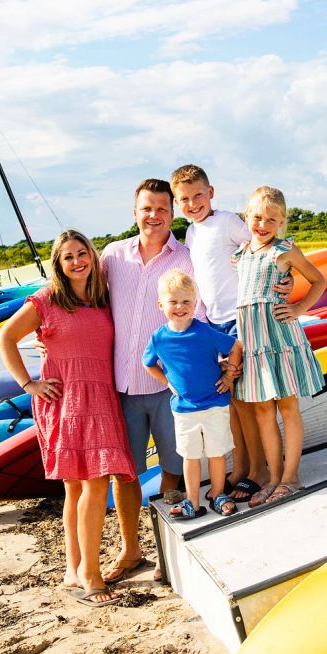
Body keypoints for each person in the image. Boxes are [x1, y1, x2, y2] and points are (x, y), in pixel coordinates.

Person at [0, 229, 136, 607]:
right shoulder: (46, 300)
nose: (77, 261)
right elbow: (6, 338)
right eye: (68, 257)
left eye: (82, 253)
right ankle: (89, 575)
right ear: (59, 264)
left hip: (101, 398)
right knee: (89, 484)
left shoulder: (102, 298)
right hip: (65, 401)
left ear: (92, 255)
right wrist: (28, 383)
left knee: (79, 487)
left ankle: (73, 569)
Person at [170, 164, 290, 504]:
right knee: (231, 402)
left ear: (210, 193)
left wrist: (287, 277)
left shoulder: (226, 222)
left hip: (241, 319)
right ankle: (242, 466)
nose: (192, 203)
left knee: (246, 399)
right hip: (214, 324)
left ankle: (259, 471)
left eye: (198, 195)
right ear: (178, 203)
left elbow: (265, 244)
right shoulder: (192, 233)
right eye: (184, 199)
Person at [100, 178, 199, 583]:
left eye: (161, 208)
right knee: (125, 472)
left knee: (173, 468)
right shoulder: (112, 256)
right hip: (121, 385)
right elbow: (84, 299)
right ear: (135, 212)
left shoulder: (187, 257)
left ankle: (165, 549)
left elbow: (202, 313)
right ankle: (130, 550)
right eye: (147, 208)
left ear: (172, 213)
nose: (154, 215)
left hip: (168, 385)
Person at [232, 186, 326, 507]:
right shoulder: (242, 253)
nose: (263, 224)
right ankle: (273, 479)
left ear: (282, 222)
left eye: (272, 220)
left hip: (279, 339)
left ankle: (291, 477)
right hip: (253, 344)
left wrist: (298, 309)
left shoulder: (284, 250)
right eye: (257, 217)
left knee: (287, 407)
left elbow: (318, 280)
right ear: (247, 216)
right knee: (262, 410)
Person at [143, 269, 243, 518]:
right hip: (184, 409)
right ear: (161, 305)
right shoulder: (159, 338)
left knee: (216, 453)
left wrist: (229, 376)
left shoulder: (204, 332)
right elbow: (148, 364)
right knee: (190, 456)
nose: (180, 307)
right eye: (173, 301)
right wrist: (167, 381)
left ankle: (218, 494)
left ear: (195, 303)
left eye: (186, 301)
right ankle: (193, 502)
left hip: (215, 404)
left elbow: (235, 346)